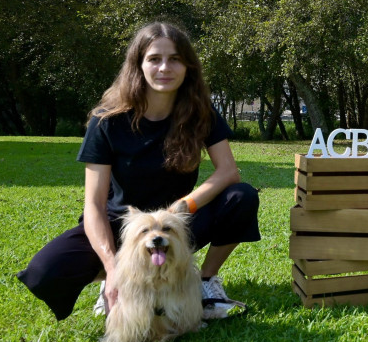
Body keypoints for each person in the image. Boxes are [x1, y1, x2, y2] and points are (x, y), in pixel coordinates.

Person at [17, 21, 260, 321]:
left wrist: (183, 207)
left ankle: (204, 283)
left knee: (242, 196)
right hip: (120, 228)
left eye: (174, 59)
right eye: (154, 59)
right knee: (45, 272)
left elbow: (228, 172)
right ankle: (118, 281)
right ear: (139, 65)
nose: (164, 68)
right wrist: (112, 264)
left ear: (188, 67)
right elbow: (93, 205)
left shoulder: (201, 113)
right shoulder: (107, 120)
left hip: (177, 225)